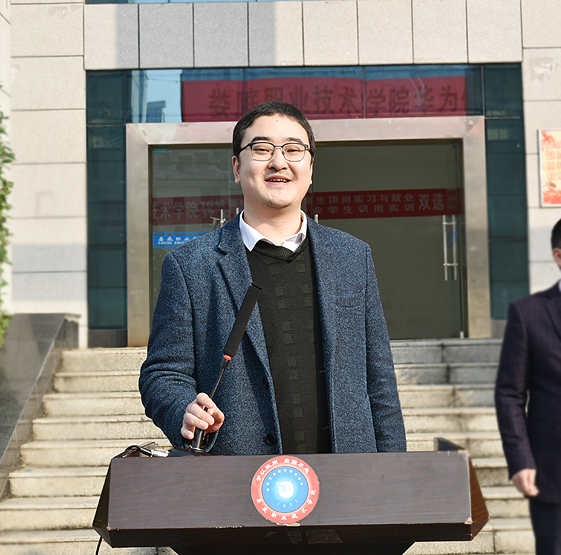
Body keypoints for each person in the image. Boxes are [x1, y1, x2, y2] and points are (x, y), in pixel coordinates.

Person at [140, 100, 406, 457]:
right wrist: (182, 410)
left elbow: (379, 381)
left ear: (310, 168)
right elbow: (163, 374)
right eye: (262, 149)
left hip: (346, 473)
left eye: (293, 150)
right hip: (237, 476)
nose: (278, 162)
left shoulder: (352, 257)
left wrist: (394, 472)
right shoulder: (191, 266)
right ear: (237, 167)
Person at [495, 218, 561, 555]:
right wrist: (520, 459)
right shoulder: (528, 314)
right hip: (553, 474)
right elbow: (509, 394)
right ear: (558, 256)